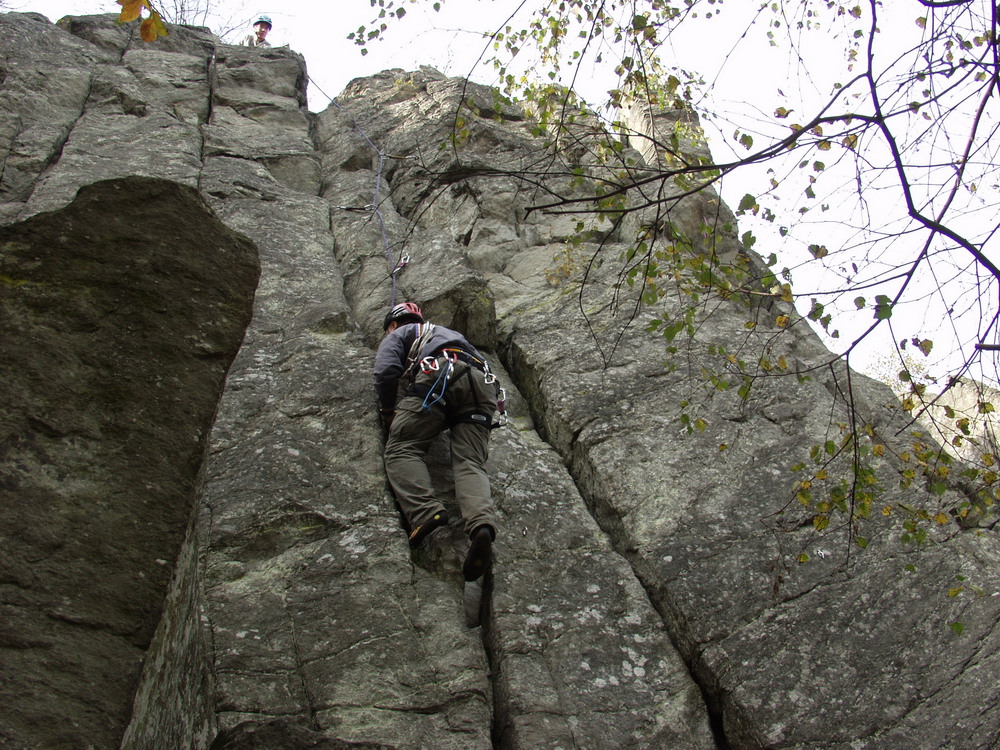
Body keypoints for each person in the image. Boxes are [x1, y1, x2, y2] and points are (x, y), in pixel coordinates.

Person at [373, 302, 498, 581]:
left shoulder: (402, 333)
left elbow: (386, 371)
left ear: (392, 325)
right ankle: (481, 525)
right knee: (470, 462)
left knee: (402, 448)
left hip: (439, 374)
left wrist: (387, 412)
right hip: (482, 384)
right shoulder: (450, 334)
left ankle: (426, 512)